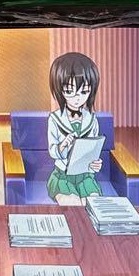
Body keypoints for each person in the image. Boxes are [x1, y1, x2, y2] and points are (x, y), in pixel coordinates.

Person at [46, 52, 104, 205]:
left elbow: (92, 151)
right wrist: (63, 144)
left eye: (84, 91)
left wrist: (95, 164)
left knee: (93, 205)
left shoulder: (91, 120)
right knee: (72, 205)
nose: (77, 97)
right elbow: (52, 151)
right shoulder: (55, 119)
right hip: (62, 177)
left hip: (86, 177)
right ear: (60, 89)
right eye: (69, 91)